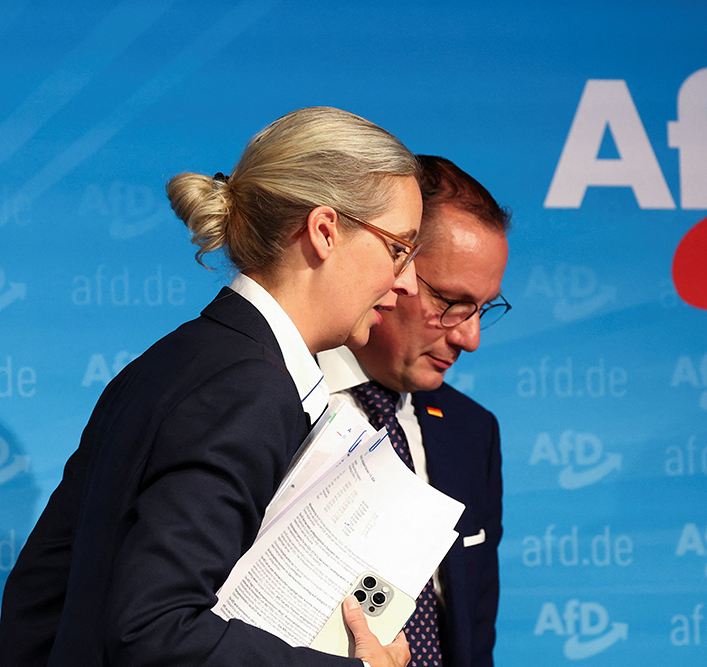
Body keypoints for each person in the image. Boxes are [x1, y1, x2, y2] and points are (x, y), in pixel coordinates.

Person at [0, 107, 421, 667]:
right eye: (399, 248)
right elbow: (154, 630)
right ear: (325, 231)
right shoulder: (249, 389)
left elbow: (37, 600)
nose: (408, 282)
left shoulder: (175, 357)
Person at [316, 155, 510, 667]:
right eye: (450, 301)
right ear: (391, 266)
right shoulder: (274, 400)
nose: (470, 337)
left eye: (484, 308)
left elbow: (473, 635)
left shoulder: (473, 434)